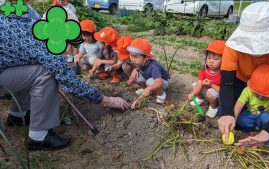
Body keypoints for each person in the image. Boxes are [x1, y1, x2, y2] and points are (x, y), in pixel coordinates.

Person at [0, 14, 130, 151]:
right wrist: (108, 100)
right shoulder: (45, 45)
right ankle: (39, 136)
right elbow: (69, 82)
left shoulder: (30, 25)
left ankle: (18, 115)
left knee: (32, 68)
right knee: (47, 73)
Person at [218, 2, 269, 147]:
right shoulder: (233, 46)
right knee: (229, 115)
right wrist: (226, 112)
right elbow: (227, 83)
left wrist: (268, 131)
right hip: (245, 82)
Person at [234, 65, 269, 146]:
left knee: (266, 117)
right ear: (248, 83)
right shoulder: (247, 90)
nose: (261, 97)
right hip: (252, 115)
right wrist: (234, 119)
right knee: (241, 119)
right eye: (257, 94)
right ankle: (253, 130)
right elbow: (238, 105)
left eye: (266, 96)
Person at [127, 38, 170, 108]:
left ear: (146, 57)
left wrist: (148, 88)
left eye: (136, 57)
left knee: (150, 82)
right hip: (150, 79)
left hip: (162, 82)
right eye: (131, 56)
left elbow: (158, 83)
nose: (132, 59)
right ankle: (145, 89)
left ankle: (161, 95)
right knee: (137, 76)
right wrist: (134, 72)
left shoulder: (154, 66)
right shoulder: (140, 63)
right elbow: (138, 69)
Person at [188, 40, 225, 118]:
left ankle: (214, 107)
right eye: (209, 58)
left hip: (217, 94)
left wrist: (211, 84)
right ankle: (202, 99)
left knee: (209, 93)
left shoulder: (223, 73)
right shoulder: (204, 70)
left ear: (223, 60)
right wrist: (193, 94)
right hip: (208, 91)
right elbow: (199, 84)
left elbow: (223, 91)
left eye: (216, 59)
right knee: (194, 85)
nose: (211, 61)